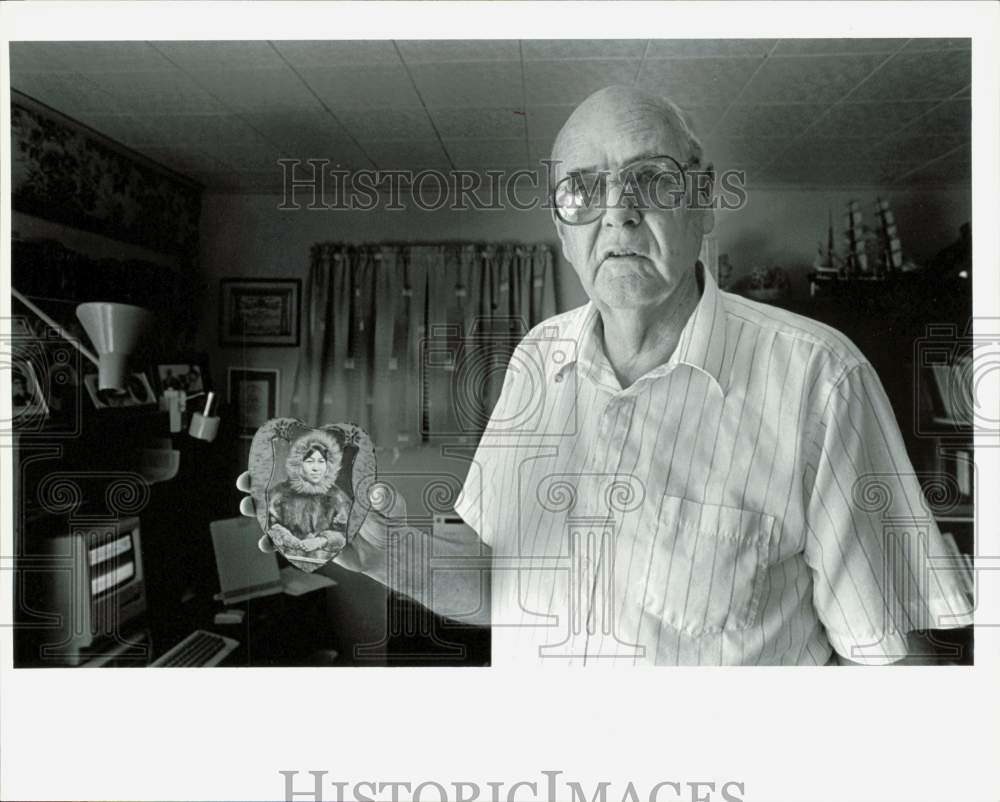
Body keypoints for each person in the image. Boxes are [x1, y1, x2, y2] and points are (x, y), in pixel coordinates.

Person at [239, 84, 972, 665]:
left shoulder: (822, 378)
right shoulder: (535, 358)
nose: (616, 214)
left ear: (703, 197)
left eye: (650, 181)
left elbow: (890, 657)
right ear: (561, 228)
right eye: (583, 189)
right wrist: (383, 550)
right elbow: (499, 581)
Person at [265, 430, 352, 570]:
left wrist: (322, 541)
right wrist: (289, 539)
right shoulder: (279, 494)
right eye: (310, 461)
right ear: (299, 464)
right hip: (285, 559)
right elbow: (270, 521)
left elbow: (346, 530)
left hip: (327, 561)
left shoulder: (337, 497)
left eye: (321, 462)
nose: (316, 468)